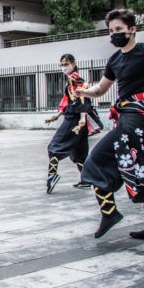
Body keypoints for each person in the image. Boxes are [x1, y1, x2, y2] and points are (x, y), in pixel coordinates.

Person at [77, 9, 144, 241]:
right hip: (125, 115)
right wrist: (82, 91)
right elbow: (101, 89)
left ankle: (112, 214)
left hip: (139, 116)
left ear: (132, 29)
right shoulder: (115, 59)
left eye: (118, 29)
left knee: (108, 160)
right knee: (140, 167)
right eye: (111, 31)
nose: (114, 34)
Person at [44, 54, 103, 193]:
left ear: (73, 64)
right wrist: (58, 114)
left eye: (66, 64)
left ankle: (52, 176)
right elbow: (69, 100)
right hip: (77, 118)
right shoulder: (72, 79)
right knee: (80, 152)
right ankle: (87, 180)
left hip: (75, 119)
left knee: (54, 146)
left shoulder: (75, 79)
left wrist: (82, 118)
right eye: (62, 65)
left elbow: (82, 98)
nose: (64, 67)